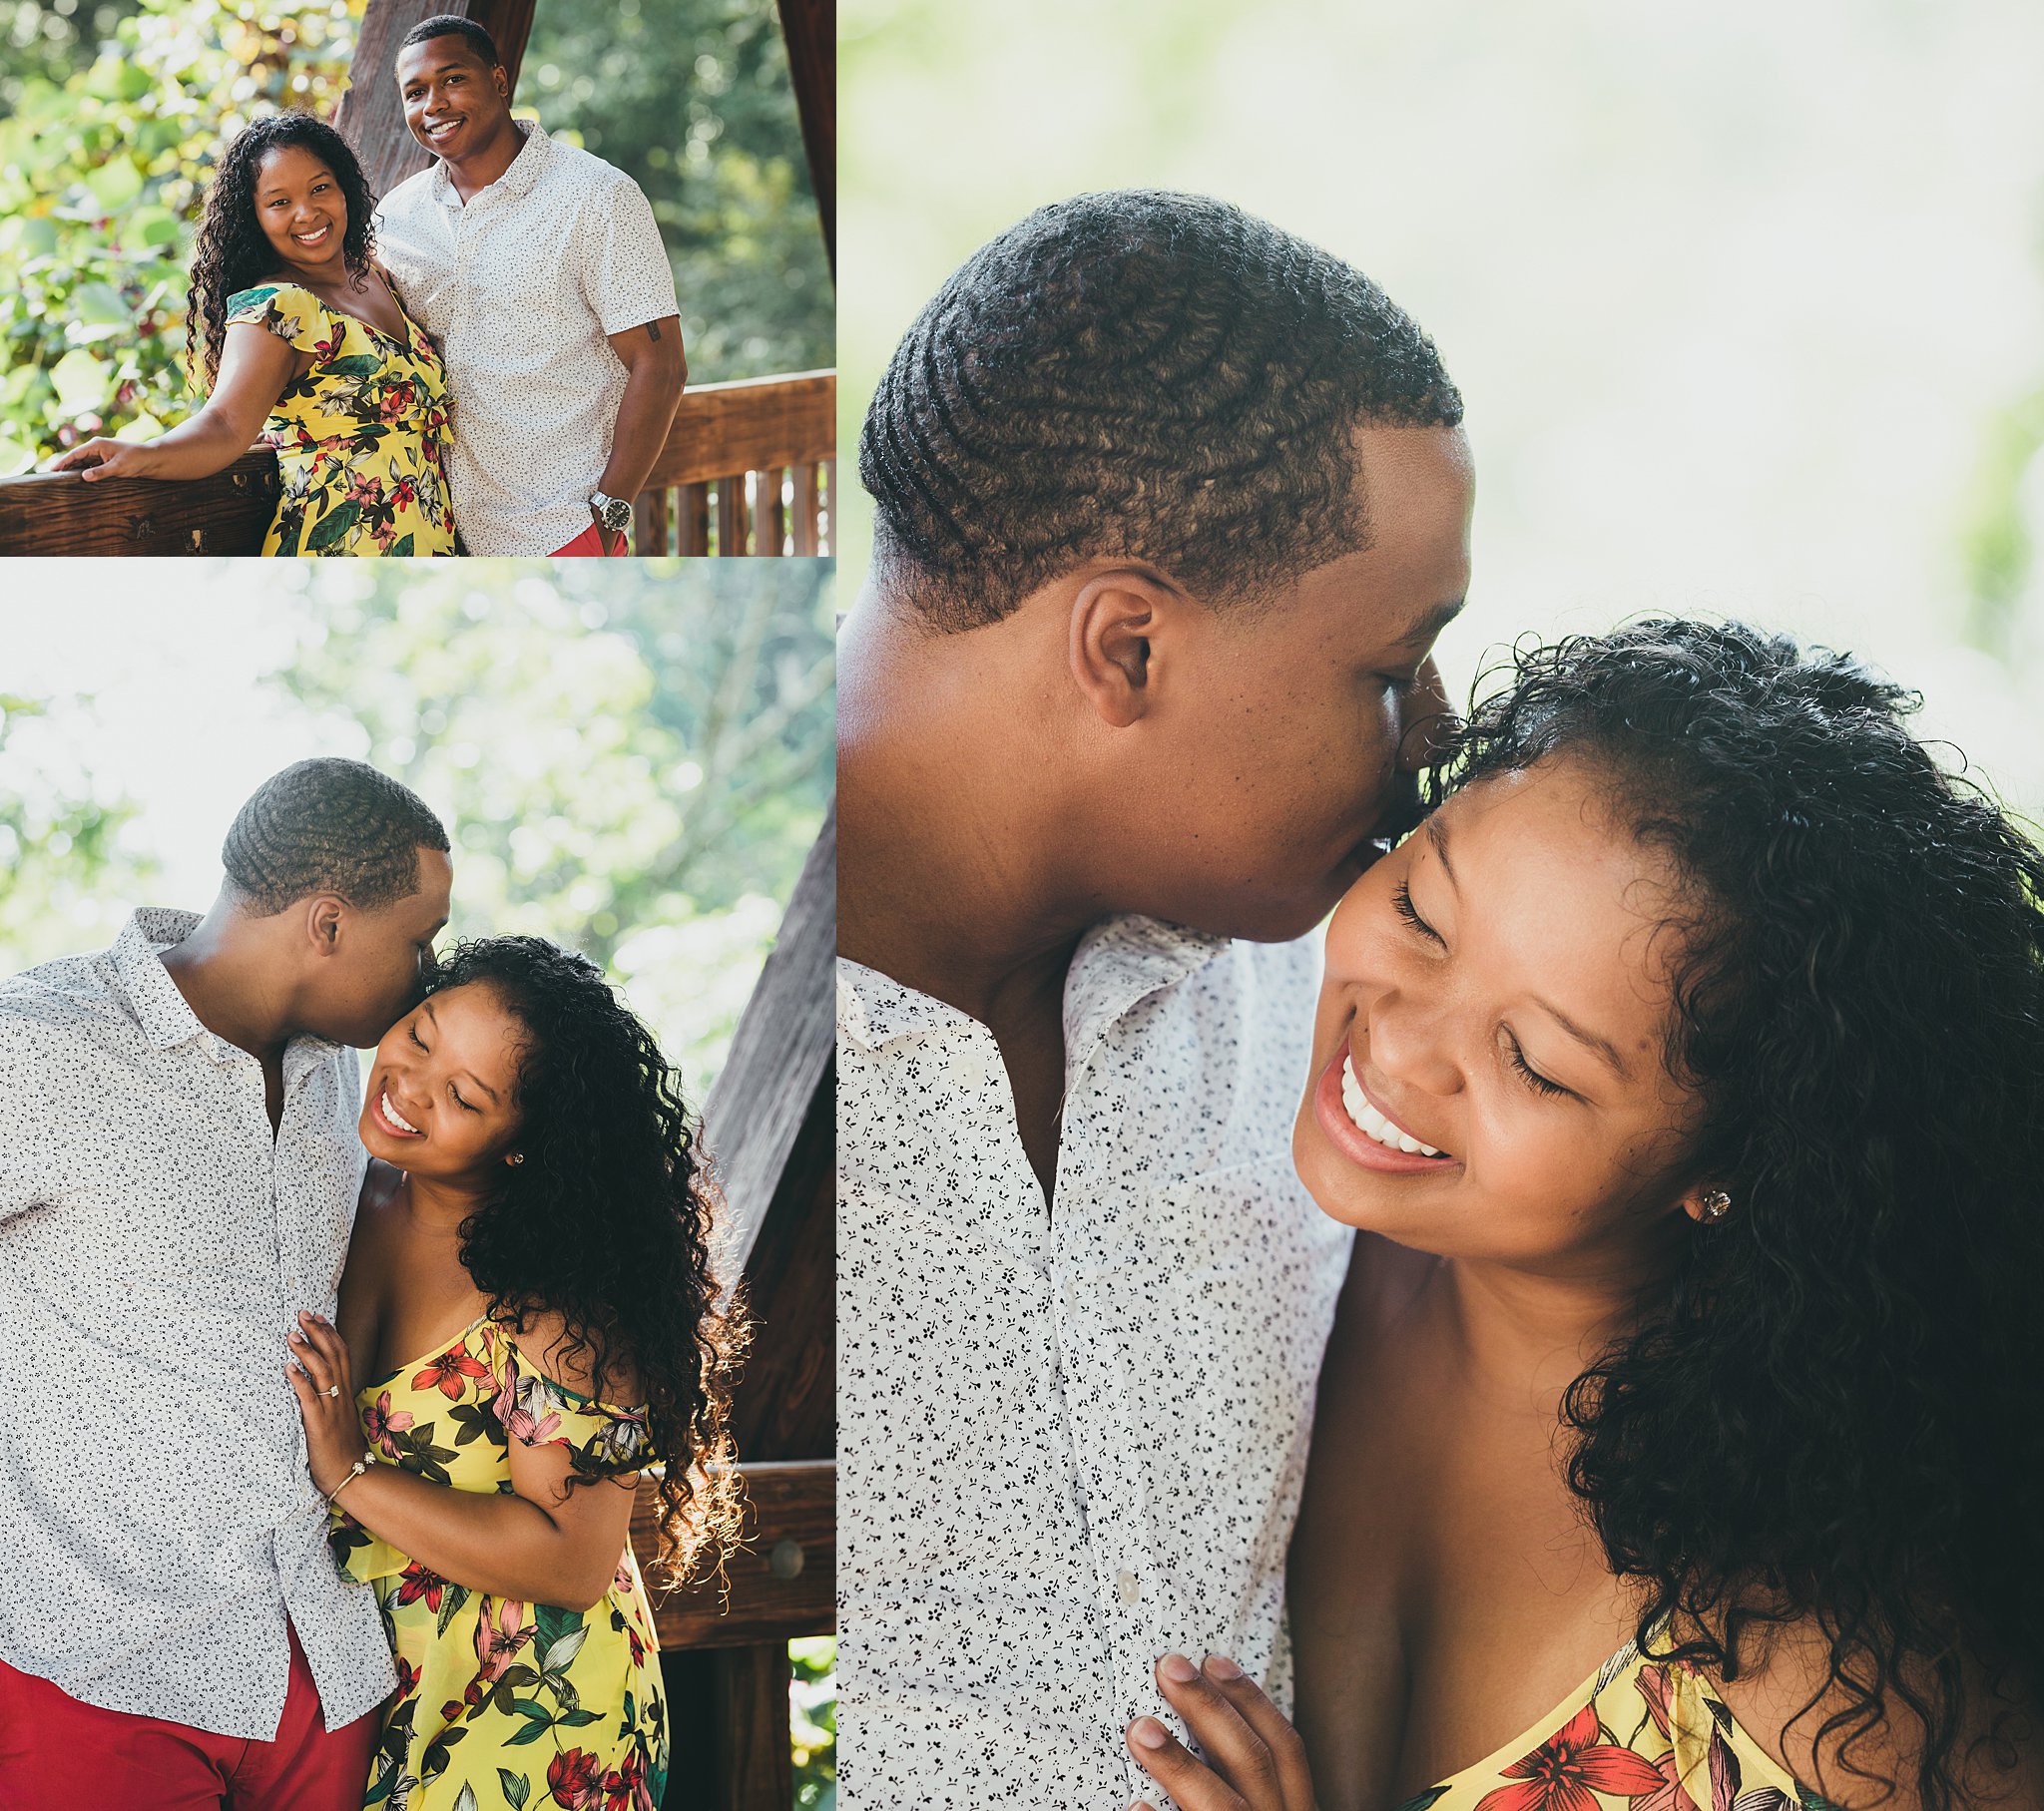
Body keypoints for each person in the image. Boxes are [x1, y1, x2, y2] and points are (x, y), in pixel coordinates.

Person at [1124, 623, 2044, 1811]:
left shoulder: (1831, 1705)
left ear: (1727, 1169)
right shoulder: (1266, 1222)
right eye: (1418, 911)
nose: (1397, 1043)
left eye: (1536, 1065)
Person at [837, 188, 1474, 1805]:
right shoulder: (709, 1052)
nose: (1438, 729)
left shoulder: (1332, 1018)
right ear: (1124, 648)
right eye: (1387, 668)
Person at [0, 758, 452, 1809]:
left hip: (321, 1674)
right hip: (101, 1673)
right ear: (327, 924)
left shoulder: (342, 1077)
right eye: (417, 939)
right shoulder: (42, 1047)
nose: (429, 971)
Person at [287, 936, 742, 1811]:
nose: (411, 1084)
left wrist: (349, 1471)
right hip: (377, 1692)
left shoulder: (555, 1296)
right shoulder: (344, 1192)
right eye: (420, 1034)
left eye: (464, 1094)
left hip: (537, 1711)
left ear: (525, 1144)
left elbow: (573, 1558)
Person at [49, 115, 455, 557]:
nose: (307, 212)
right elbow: (224, 423)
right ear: (254, 217)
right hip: (341, 550)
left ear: (344, 190)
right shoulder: (275, 308)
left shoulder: (375, 276)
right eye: (279, 202)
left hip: (430, 541)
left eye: (320, 188)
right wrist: (142, 454)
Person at [371, 14, 686, 558]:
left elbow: (661, 365)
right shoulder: (396, 216)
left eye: (453, 79)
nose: (435, 104)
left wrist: (608, 515)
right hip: (434, 531)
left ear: (498, 81)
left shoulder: (598, 196)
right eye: (415, 92)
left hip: (559, 531)